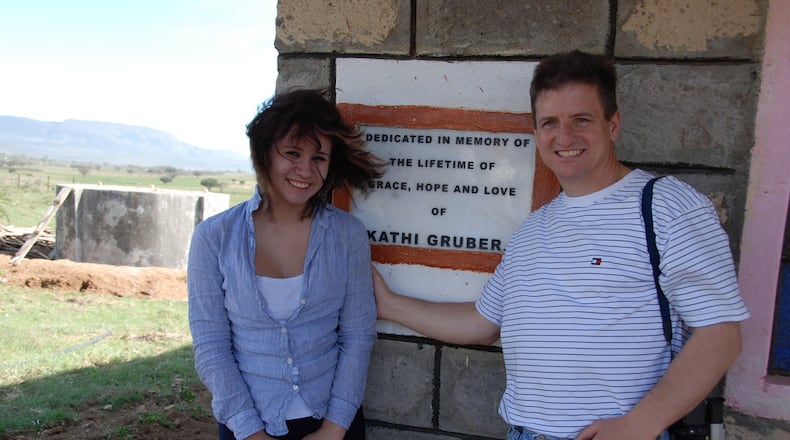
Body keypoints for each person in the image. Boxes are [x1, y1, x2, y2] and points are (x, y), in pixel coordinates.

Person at [372, 50, 749, 440]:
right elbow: (483, 324)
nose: (564, 137)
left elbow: (720, 334)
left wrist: (640, 425)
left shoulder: (666, 206)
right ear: (536, 133)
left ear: (613, 124)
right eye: (550, 122)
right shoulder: (532, 230)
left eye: (581, 120)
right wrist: (390, 305)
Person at [188, 88, 386, 440]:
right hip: (247, 427)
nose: (305, 170)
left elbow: (357, 335)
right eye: (292, 153)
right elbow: (211, 347)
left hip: (334, 424)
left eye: (319, 158)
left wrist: (334, 428)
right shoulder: (214, 237)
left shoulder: (347, 235)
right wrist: (250, 431)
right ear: (264, 154)